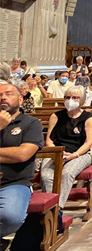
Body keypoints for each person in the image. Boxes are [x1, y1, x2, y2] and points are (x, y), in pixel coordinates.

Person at [41, 85, 92, 219]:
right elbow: (49, 140)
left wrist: (74, 155)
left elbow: (88, 142)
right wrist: (57, 152)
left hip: (79, 153)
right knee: (46, 175)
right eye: (67, 97)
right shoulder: (56, 116)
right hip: (57, 152)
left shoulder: (87, 117)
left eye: (75, 98)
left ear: (81, 100)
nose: (70, 100)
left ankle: (57, 209)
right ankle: (50, 207)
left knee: (67, 173)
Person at [0, 82, 44, 239]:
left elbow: (22, 154)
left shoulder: (31, 123)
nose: (3, 97)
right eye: (0, 95)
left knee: (10, 217)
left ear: (20, 100)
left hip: (14, 183)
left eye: (8, 94)